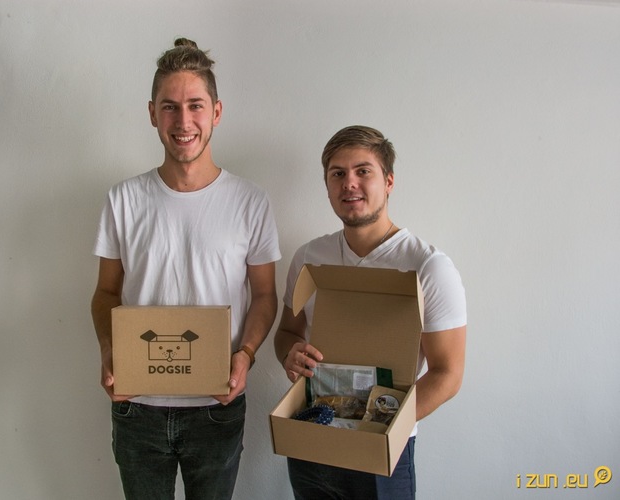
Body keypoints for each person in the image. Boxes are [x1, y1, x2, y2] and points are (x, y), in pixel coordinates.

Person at [91, 38, 281, 500]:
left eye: (195, 105)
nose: (183, 121)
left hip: (216, 405)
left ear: (216, 112)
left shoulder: (250, 202)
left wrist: (246, 354)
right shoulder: (123, 199)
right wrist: (109, 349)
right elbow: (106, 292)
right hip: (138, 405)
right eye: (170, 107)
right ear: (152, 114)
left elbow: (264, 295)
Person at [273, 125, 467, 500]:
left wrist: (382, 428)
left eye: (363, 171)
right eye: (338, 174)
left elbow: (448, 374)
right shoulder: (309, 258)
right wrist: (289, 354)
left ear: (389, 181)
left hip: (383, 449)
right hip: (313, 433)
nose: (350, 183)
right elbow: (287, 334)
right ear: (327, 186)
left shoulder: (428, 267)